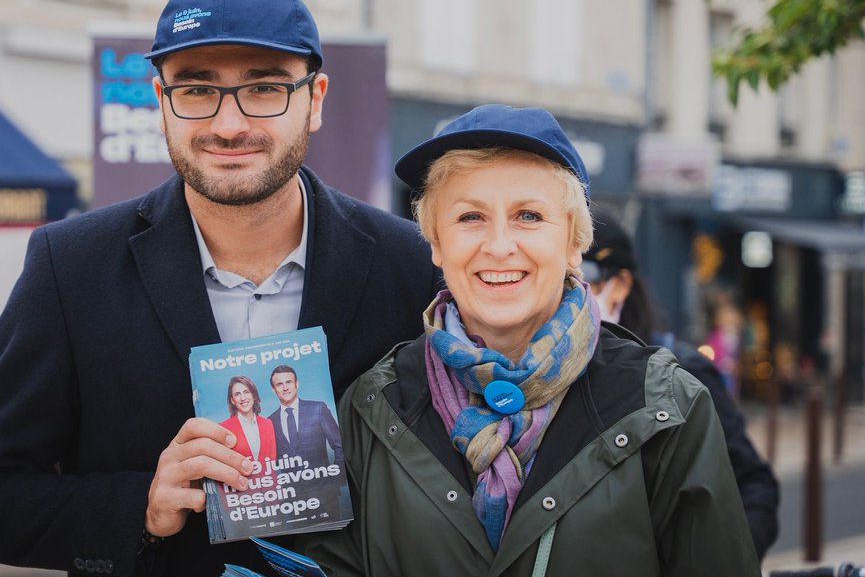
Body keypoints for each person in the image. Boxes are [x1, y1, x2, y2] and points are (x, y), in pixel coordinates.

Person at [0, 0, 440, 577]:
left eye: (263, 89)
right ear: (161, 104)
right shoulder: (71, 267)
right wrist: (141, 506)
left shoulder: (413, 264)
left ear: (315, 101)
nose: (228, 125)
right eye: (197, 90)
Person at [300, 104, 758, 576]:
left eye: (529, 216)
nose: (499, 245)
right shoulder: (372, 408)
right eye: (471, 218)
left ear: (574, 241)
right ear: (436, 243)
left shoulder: (664, 406)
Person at [582, 207, 780, 558]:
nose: (572, 292)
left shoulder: (680, 373)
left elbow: (754, 487)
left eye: (585, 278)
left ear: (621, 285)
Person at [268, 364, 343, 469]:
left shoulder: (318, 409)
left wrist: (337, 476)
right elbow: (270, 460)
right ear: (273, 389)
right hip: (291, 485)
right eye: (280, 384)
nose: (285, 388)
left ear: (296, 384)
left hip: (325, 483)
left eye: (288, 382)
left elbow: (339, 445)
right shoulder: (270, 421)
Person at [220, 376, 276, 467]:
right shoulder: (223, 428)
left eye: (246, 392)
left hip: (269, 480)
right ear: (232, 400)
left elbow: (273, 461)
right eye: (237, 394)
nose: (243, 398)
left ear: (254, 395)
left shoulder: (268, 424)